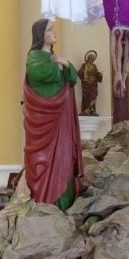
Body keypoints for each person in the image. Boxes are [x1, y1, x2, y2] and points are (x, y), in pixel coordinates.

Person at [23, 19, 84, 211]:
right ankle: (45, 202)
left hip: (62, 118)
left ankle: (64, 204)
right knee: (45, 160)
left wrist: (66, 63)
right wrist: (60, 68)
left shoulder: (56, 58)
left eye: (53, 29)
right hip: (44, 117)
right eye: (50, 30)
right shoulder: (34, 56)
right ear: (41, 34)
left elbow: (72, 78)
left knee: (64, 157)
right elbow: (38, 75)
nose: (54, 33)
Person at [77, 50, 103, 115]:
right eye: (90, 58)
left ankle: (92, 110)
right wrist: (85, 74)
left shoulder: (94, 66)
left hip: (93, 84)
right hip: (86, 84)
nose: (92, 59)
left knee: (93, 96)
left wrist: (99, 75)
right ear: (88, 58)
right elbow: (80, 73)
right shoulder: (84, 65)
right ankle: (85, 110)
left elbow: (97, 75)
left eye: (93, 58)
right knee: (86, 97)